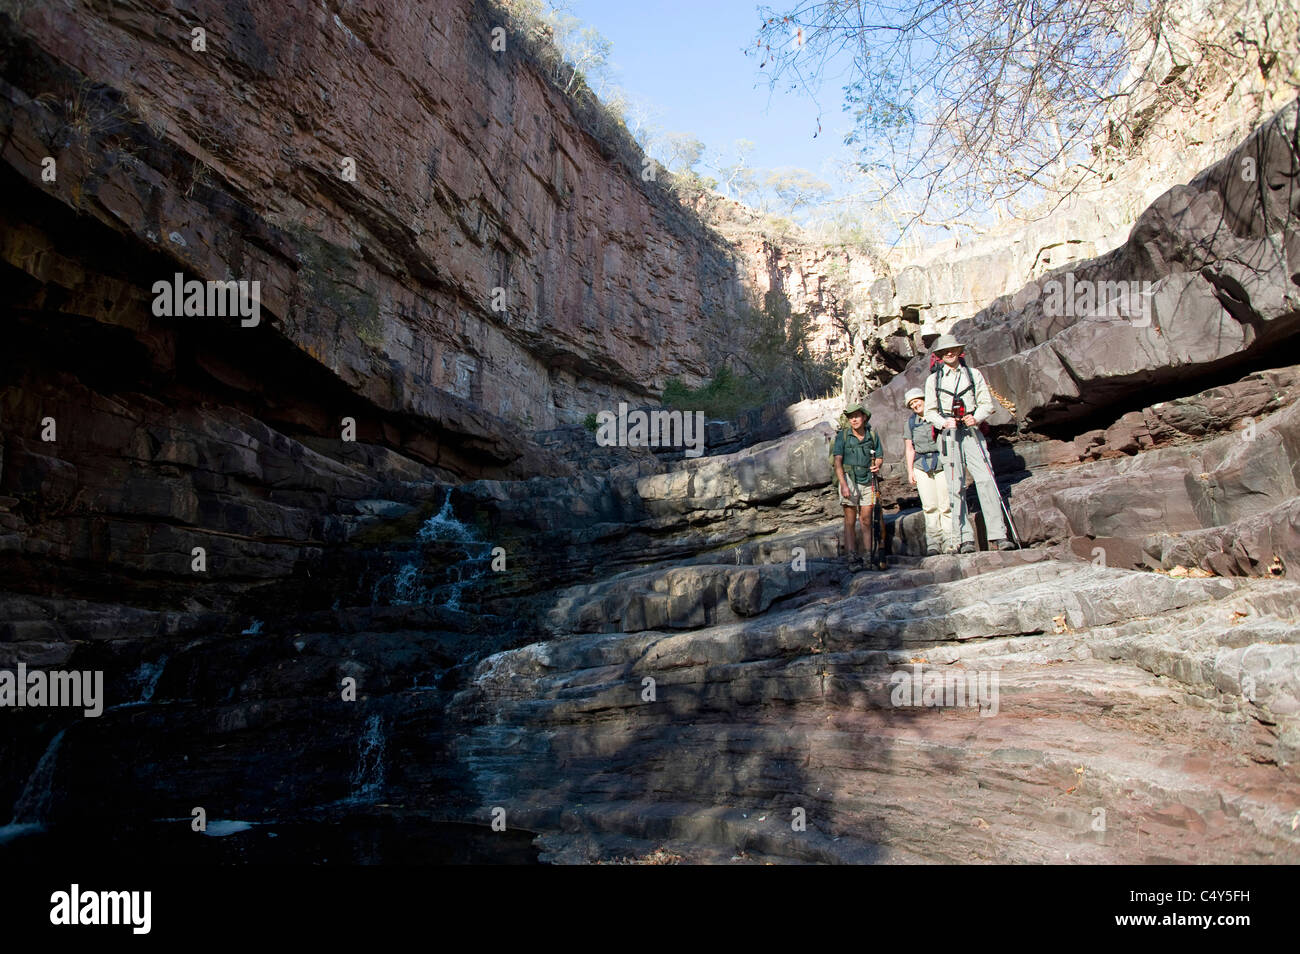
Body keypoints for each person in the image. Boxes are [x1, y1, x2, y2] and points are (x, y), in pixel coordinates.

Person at [923, 334, 1015, 553]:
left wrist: (977, 417)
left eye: (953, 349)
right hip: (949, 436)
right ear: (938, 355)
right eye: (945, 350)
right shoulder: (933, 381)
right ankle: (964, 539)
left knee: (986, 481)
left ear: (959, 351)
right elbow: (930, 412)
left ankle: (998, 535)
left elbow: (986, 403)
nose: (949, 353)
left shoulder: (973, 375)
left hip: (972, 432)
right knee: (956, 486)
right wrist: (944, 422)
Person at [902, 387, 953, 555]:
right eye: (912, 404)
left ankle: (950, 541)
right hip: (921, 466)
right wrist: (910, 471)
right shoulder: (910, 423)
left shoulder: (937, 417)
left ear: (924, 399)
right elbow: (910, 449)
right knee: (929, 506)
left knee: (945, 504)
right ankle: (934, 542)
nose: (915, 405)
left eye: (917, 401)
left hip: (941, 462)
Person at [833, 402, 883, 567]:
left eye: (856, 416)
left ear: (864, 417)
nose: (853, 420)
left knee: (866, 519)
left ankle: (868, 557)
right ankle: (852, 558)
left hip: (868, 479)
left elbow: (880, 455)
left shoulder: (872, 435)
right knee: (850, 520)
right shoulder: (843, 436)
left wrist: (878, 465)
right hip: (849, 479)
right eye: (850, 417)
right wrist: (843, 484)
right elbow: (837, 461)